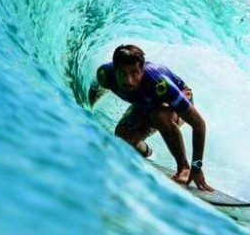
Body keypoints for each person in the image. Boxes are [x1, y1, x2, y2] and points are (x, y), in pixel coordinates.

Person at [89, 44, 214, 192]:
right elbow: (91, 99)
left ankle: (183, 167)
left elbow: (199, 124)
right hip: (145, 102)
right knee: (123, 137)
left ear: (142, 70)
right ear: (115, 70)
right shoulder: (105, 75)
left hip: (175, 100)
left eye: (135, 73)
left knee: (159, 115)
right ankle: (146, 153)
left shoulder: (160, 83)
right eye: (122, 73)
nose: (128, 80)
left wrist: (197, 166)